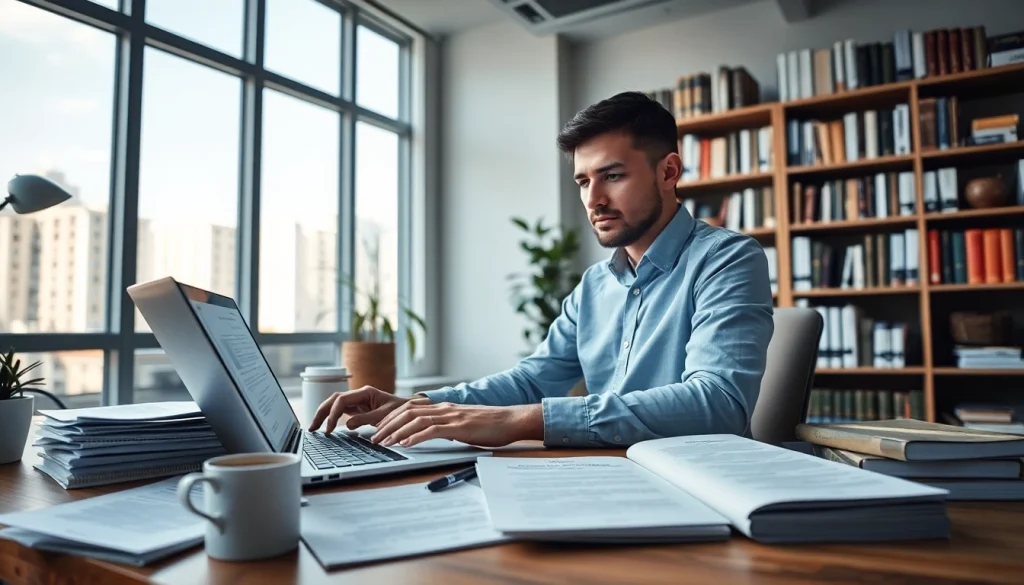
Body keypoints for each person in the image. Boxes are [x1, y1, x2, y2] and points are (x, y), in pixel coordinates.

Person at [309, 91, 774, 449]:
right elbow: (533, 380)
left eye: (612, 176)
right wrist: (419, 406)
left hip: (699, 486)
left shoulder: (727, 260)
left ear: (668, 171)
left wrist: (520, 420)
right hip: (610, 476)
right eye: (583, 181)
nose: (593, 200)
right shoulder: (595, 286)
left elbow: (719, 404)